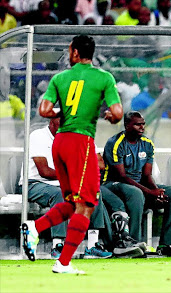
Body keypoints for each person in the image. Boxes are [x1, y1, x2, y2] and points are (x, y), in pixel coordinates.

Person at [21, 35, 123, 274]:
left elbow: (45, 110)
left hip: (60, 142)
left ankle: (35, 228)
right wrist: (110, 116)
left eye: (69, 50)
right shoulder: (104, 78)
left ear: (75, 53)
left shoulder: (59, 78)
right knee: (87, 203)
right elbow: (117, 113)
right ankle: (63, 262)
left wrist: (64, 111)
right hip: (80, 141)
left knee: (71, 202)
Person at [20, 117, 116, 259]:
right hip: (34, 183)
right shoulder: (38, 136)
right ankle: (57, 245)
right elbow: (44, 171)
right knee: (61, 194)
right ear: (51, 121)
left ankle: (92, 245)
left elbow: (99, 164)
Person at [102, 111, 171, 257]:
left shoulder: (147, 144)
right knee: (135, 192)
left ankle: (165, 245)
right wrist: (150, 192)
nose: (142, 127)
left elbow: (147, 175)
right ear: (127, 125)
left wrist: (156, 191)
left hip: (138, 186)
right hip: (112, 184)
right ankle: (133, 243)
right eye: (137, 124)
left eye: (143, 124)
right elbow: (122, 176)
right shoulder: (115, 143)